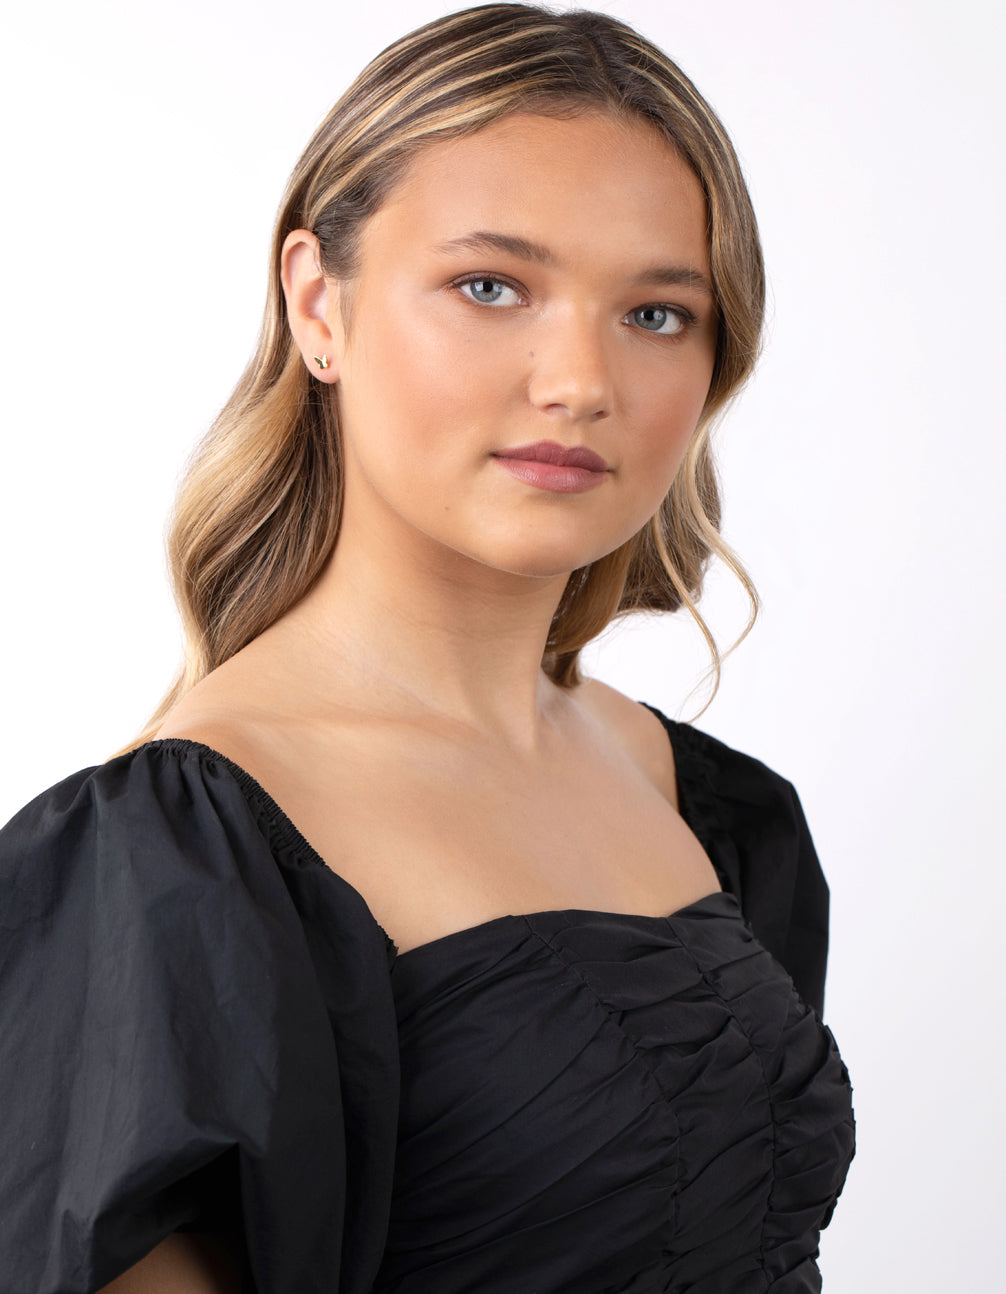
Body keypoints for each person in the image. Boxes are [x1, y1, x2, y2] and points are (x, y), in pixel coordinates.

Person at [0, 4, 856, 1291]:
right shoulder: (172, 861)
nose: (580, 381)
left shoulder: (716, 808)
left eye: (655, 312)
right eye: (490, 287)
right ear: (317, 303)